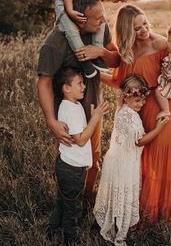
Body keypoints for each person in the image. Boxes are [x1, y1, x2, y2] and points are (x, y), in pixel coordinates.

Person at [100, 4, 171, 224]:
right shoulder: (127, 51)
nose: (144, 29)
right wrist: (95, 75)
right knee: (141, 159)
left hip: (166, 110)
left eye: (145, 23)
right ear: (127, 30)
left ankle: (159, 213)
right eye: (137, 27)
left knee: (161, 155)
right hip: (139, 110)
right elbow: (119, 82)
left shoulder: (162, 44)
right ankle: (140, 211)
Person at [37, 0, 120, 233]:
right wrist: (51, 121)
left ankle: (81, 204)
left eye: (103, 16)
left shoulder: (100, 30)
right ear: (80, 18)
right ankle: (67, 207)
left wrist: (101, 53)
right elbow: (43, 83)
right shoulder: (54, 43)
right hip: (69, 117)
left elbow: (115, 60)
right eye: (97, 18)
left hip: (93, 107)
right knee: (71, 163)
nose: (103, 21)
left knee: (93, 160)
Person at [93, 74, 168, 246]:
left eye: (143, 101)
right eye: (138, 101)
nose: (141, 105)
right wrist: (159, 128)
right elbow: (140, 140)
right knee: (123, 194)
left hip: (118, 159)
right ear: (126, 96)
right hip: (123, 164)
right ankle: (119, 230)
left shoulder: (124, 110)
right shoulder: (129, 116)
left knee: (117, 193)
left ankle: (114, 221)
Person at [47, 67, 108, 245]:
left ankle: (52, 230)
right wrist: (95, 117)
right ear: (66, 88)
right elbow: (80, 140)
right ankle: (70, 237)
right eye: (79, 84)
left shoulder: (73, 105)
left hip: (68, 164)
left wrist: (90, 113)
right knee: (73, 206)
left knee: (63, 200)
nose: (83, 87)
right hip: (72, 168)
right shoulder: (71, 109)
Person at [55, 0, 143, 78]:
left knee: (102, 24)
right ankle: (85, 63)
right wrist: (70, 10)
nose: (125, 1)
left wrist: (102, 51)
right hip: (63, 0)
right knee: (72, 31)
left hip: (78, 3)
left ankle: (97, 55)